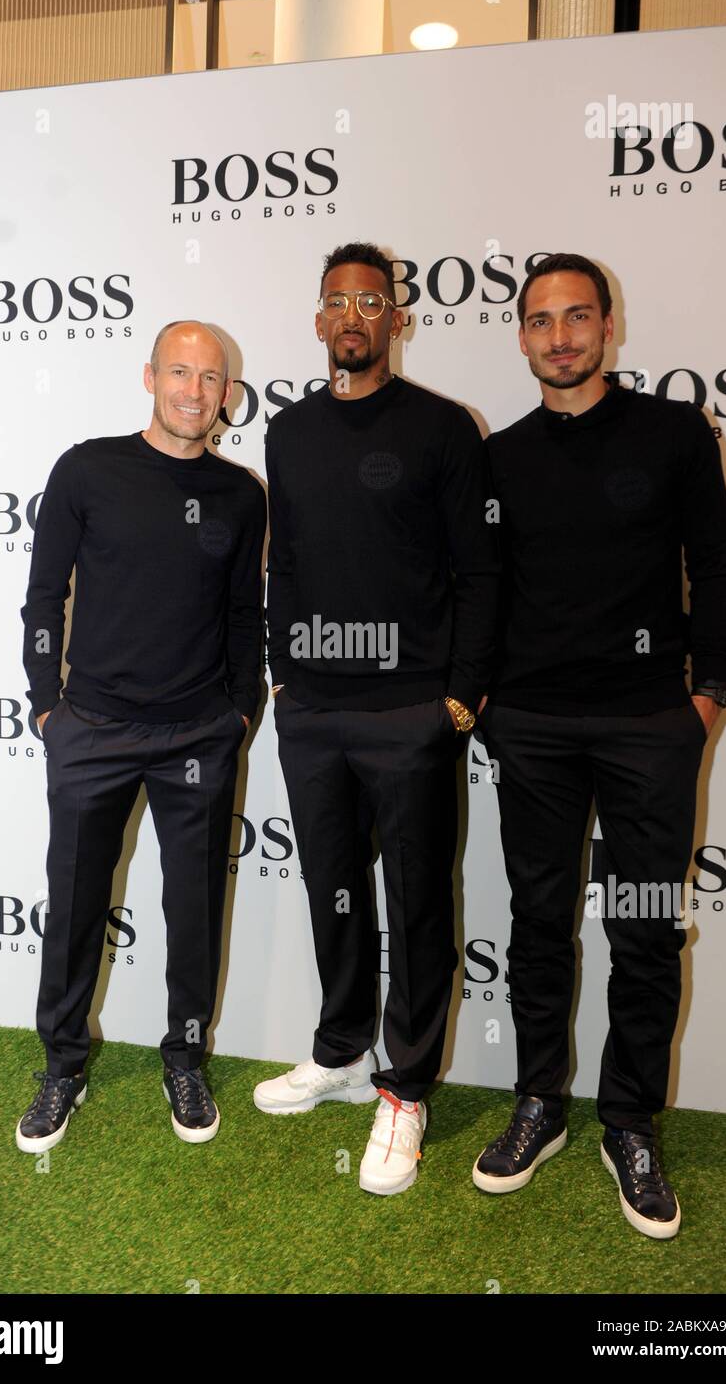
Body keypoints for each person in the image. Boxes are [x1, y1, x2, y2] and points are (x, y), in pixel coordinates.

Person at [474, 254, 726, 1238]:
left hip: (646, 732)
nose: (559, 336)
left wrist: (704, 694)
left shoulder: (674, 432)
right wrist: (493, 706)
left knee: (642, 932)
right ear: (522, 336)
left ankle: (628, 1121)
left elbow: (713, 565)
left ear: (607, 326)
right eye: (540, 320)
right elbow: (481, 589)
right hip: (533, 733)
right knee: (539, 925)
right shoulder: (497, 457)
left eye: (576, 316)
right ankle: (538, 1103)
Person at [255, 241, 498, 1196]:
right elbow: (286, 563)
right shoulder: (286, 430)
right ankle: (343, 1048)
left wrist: (459, 696)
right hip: (313, 711)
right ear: (318, 321)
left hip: (410, 711)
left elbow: (479, 573)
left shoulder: (443, 428)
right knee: (333, 890)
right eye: (335, 301)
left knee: (417, 902)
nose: (352, 315)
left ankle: (405, 1089)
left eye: (370, 300)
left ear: (396, 317)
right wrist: (283, 674)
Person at [16, 321, 266, 1152]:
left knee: (193, 910)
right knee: (76, 903)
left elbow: (243, 617)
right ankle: (62, 1067)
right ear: (150, 376)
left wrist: (239, 713)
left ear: (228, 393)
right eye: (180, 373)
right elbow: (44, 595)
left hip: (198, 733)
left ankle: (185, 1058)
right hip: (89, 729)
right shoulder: (87, 468)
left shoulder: (242, 494)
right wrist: (46, 705)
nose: (195, 392)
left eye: (211, 378)